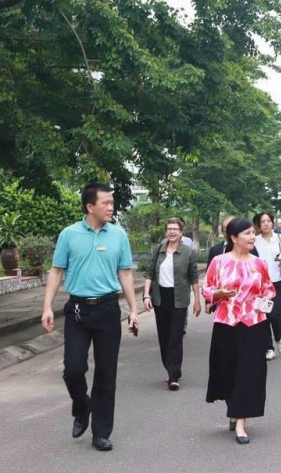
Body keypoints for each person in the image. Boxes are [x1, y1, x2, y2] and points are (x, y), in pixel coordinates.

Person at [41, 182, 139, 453]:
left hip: (108, 309)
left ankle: (101, 433)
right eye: (105, 203)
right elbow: (56, 271)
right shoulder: (69, 235)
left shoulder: (118, 235)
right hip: (77, 310)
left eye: (112, 203)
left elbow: (125, 273)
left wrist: (133, 310)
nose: (111, 207)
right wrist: (47, 307)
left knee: (106, 373)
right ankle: (82, 406)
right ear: (90, 206)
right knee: (73, 369)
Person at [202, 218, 276, 445]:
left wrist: (264, 299)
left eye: (253, 233)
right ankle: (233, 408)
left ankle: (241, 421)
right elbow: (207, 288)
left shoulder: (259, 263)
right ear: (234, 238)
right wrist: (218, 294)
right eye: (247, 233)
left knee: (249, 371)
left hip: (254, 323)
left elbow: (269, 289)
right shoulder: (219, 261)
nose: (252, 237)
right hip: (227, 323)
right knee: (229, 369)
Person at [142, 218, 201, 391]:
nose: (172, 232)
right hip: (160, 298)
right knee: (164, 336)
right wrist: (146, 295)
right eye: (169, 229)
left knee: (175, 336)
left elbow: (193, 277)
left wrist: (197, 301)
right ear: (166, 231)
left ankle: (173, 375)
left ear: (181, 232)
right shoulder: (158, 250)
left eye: (175, 229)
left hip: (179, 299)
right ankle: (170, 368)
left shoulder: (188, 252)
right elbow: (150, 273)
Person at [253, 211, 281, 360]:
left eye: (268, 221)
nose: (266, 224)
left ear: (272, 222)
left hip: (277, 282)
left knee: (275, 314)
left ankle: (278, 338)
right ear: (258, 225)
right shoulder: (254, 241)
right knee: (264, 315)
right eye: (263, 222)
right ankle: (268, 347)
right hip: (260, 284)